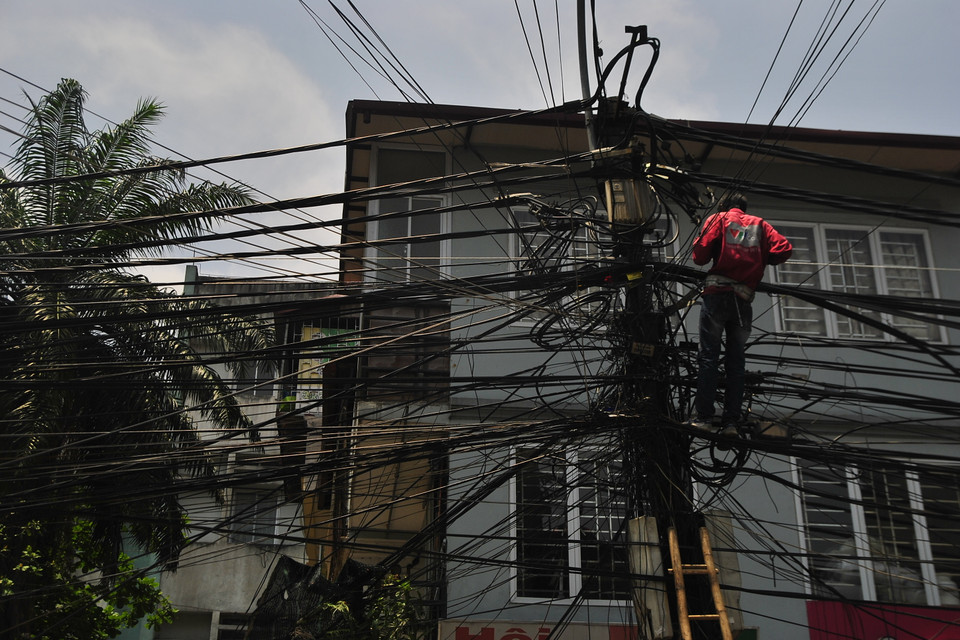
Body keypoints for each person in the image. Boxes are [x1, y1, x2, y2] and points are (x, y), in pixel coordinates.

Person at [689, 192, 792, 435]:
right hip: (743, 300)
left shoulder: (719, 219)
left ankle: (704, 418)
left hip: (717, 295)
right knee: (736, 364)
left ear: (725, 206)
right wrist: (760, 257)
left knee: (708, 358)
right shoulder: (760, 225)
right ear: (744, 208)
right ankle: (731, 423)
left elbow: (699, 256)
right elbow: (785, 249)